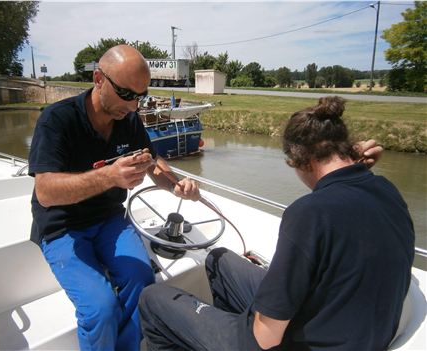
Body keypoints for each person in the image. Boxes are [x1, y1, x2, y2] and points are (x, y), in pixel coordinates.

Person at [139, 96, 414, 350]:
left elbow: (265, 337)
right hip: (349, 330)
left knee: (154, 299)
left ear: (298, 161)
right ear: (345, 148)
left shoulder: (308, 213)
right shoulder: (387, 190)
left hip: (295, 342)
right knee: (218, 260)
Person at [28, 45, 199, 351]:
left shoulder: (129, 120)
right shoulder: (57, 121)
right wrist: (110, 175)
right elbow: (45, 191)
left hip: (109, 219)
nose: (134, 106)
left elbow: (153, 163)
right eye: (125, 93)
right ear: (98, 79)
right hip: (62, 227)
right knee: (102, 308)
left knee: (143, 283)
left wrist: (175, 184)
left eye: (141, 96)